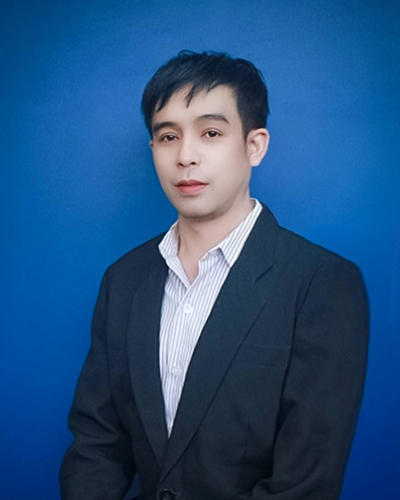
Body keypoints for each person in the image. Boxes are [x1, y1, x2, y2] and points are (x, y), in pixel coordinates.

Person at [60, 51, 369, 500]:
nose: (186, 156)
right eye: (168, 136)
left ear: (254, 145)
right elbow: (97, 445)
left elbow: (305, 483)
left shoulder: (322, 283)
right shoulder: (124, 280)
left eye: (210, 133)